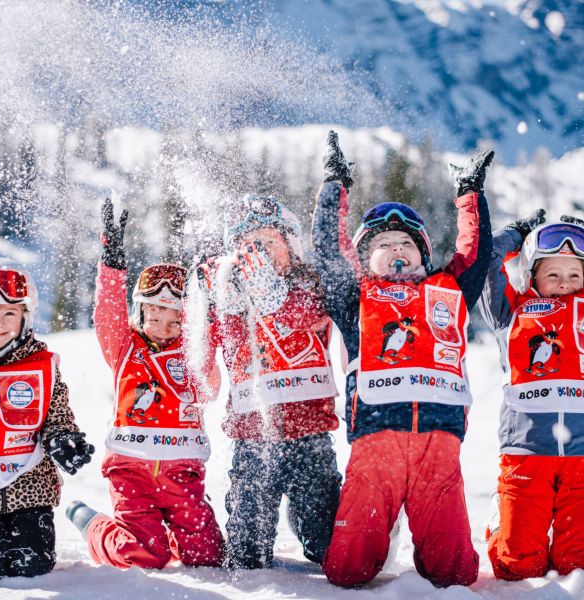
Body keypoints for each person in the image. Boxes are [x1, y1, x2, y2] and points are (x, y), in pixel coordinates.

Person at [311, 131, 493, 587]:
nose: (396, 251)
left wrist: (469, 196)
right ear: (365, 260)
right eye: (382, 245)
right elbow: (330, 255)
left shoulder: (447, 291)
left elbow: (474, 256)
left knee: (456, 574)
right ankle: (380, 532)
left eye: (406, 244)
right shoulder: (355, 298)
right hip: (376, 444)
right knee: (346, 572)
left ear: (423, 255)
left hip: (440, 445)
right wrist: (335, 186)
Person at [66, 199, 223, 569]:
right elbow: (107, 311)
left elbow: (210, 389)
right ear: (142, 312)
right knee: (144, 556)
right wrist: (112, 263)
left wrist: (211, 305)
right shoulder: (125, 347)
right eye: (156, 318)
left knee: (208, 557)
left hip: (183, 474)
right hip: (132, 472)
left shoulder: (194, 351)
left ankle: (167, 529)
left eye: (176, 322)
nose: (165, 330)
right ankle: (94, 524)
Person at [198, 193, 341, 569]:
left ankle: (303, 521)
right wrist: (213, 299)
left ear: (291, 246)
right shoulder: (233, 297)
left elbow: (308, 316)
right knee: (246, 555)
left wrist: (273, 295)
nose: (258, 253)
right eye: (248, 245)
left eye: (268, 242)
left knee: (327, 548)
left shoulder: (311, 289)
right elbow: (210, 352)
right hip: (253, 438)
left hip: (309, 434)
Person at [479, 210, 584, 579]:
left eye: (575, 274)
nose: (564, 282)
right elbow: (485, 258)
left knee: (577, 566)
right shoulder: (510, 311)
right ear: (531, 274)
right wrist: (516, 233)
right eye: (552, 273)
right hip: (526, 453)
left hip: (582, 460)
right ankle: (501, 519)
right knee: (517, 566)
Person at [0, 257, 94, 584]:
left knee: (33, 566)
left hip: (30, 490)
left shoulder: (42, 366)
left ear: (25, 316)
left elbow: (57, 414)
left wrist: (62, 439)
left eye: (9, 313)